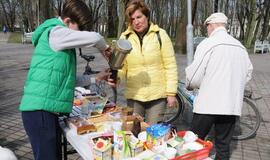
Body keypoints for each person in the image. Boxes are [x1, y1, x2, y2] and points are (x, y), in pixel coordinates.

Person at [19, 0, 111, 160]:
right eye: (79, 29)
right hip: (40, 112)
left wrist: (96, 78)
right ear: (67, 21)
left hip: (44, 112)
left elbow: (67, 81)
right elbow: (96, 37)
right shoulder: (56, 33)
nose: (79, 34)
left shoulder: (61, 42)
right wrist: (104, 48)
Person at [185, 12, 253, 160]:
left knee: (193, 142)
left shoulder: (208, 43)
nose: (207, 30)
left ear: (211, 25)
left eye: (207, 27)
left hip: (208, 105)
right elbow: (248, 73)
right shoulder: (240, 47)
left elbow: (195, 74)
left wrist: (190, 85)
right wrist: (233, 85)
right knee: (223, 147)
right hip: (230, 106)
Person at [116, 0, 178, 125]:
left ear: (147, 16)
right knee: (133, 132)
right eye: (132, 19)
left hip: (157, 96)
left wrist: (171, 93)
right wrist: (116, 78)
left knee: (153, 134)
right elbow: (122, 67)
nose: (136, 22)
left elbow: (170, 66)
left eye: (139, 17)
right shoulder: (125, 37)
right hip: (134, 95)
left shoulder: (161, 35)